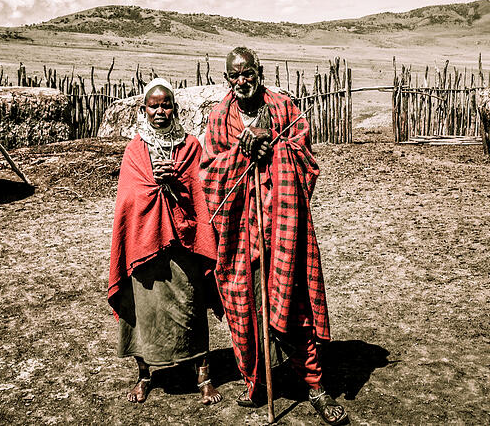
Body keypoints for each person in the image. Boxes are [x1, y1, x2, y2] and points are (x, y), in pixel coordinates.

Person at [200, 47, 349, 425]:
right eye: (233, 76)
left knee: (293, 302)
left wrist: (274, 146)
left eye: (247, 73)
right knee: (246, 306)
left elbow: (306, 161)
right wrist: (241, 152)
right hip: (240, 232)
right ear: (226, 78)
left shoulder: (284, 108)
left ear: (259, 72)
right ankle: (257, 383)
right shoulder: (219, 119)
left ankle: (315, 387)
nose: (241, 81)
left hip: (283, 225)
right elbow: (209, 176)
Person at [108, 78, 223, 405]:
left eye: (166, 104)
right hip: (144, 242)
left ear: (175, 107)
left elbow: (201, 195)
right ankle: (145, 376)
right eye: (154, 105)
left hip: (183, 244)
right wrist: (154, 190)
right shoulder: (135, 150)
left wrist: (176, 187)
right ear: (144, 109)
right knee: (145, 311)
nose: (160, 111)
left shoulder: (190, 148)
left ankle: (204, 377)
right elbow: (130, 198)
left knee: (191, 306)